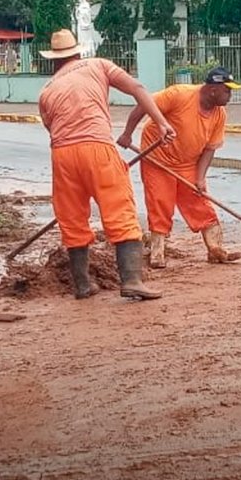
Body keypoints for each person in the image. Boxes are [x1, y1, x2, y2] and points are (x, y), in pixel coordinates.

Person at [38, 29, 176, 300]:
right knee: (119, 209)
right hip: (97, 147)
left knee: (72, 218)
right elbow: (137, 88)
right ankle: (132, 280)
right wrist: (161, 122)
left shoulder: (47, 90)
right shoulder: (98, 65)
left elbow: (50, 127)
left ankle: (82, 284)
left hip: (62, 155)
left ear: (53, 60)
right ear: (78, 52)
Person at [117, 66, 241, 269]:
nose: (230, 95)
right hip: (158, 159)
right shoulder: (179, 94)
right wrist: (127, 134)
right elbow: (143, 105)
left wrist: (200, 178)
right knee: (160, 202)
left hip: (187, 162)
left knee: (199, 201)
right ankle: (157, 252)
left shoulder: (220, 114)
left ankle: (216, 249)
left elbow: (210, 148)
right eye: (227, 90)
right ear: (213, 89)